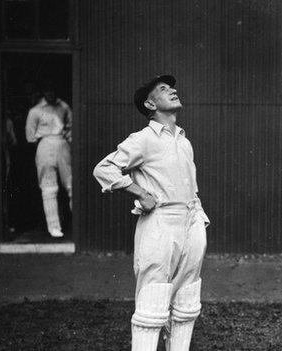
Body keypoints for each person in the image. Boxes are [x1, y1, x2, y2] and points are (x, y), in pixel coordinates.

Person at [93, 75, 209, 351]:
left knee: (186, 303)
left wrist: (198, 219)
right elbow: (103, 169)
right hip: (160, 224)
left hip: (191, 221)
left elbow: (190, 186)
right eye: (164, 89)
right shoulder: (143, 139)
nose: (173, 91)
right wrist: (140, 193)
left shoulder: (183, 141)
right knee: (152, 304)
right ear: (150, 103)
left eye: (173, 88)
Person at [25, 83, 72, 238]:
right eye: (47, 89)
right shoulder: (35, 111)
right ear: (44, 92)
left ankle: (76, 227)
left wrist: (66, 137)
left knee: (71, 185)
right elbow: (30, 136)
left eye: (53, 89)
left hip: (62, 144)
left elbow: (71, 127)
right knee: (49, 187)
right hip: (44, 144)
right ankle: (54, 228)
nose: (50, 92)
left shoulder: (64, 107)